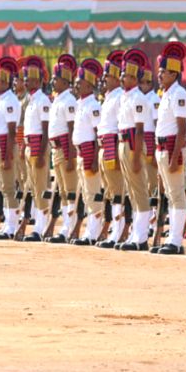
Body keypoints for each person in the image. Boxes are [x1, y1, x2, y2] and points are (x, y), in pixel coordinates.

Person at [154, 43, 186, 255]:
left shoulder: (178, 94)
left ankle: (176, 240)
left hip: (171, 148)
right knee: (169, 194)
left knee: (177, 194)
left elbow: (181, 127)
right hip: (162, 149)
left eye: (163, 72)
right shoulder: (167, 93)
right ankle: (171, 237)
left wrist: (175, 155)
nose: (159, 75)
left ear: (174, 73)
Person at [115, 49, 153, 251]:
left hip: (133, 144)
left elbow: (139, 130)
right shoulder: (125, 97)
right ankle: (135, 233)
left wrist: (137, 156)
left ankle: (141, 236)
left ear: (137, 78)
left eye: (130, 76)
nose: (125, 78)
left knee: (139, 190)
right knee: (131, 190)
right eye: (124, 74)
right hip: (123, 142)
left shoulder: (138, 98)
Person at [45, 55, 79, 244]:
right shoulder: (58, 99)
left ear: (65, 81)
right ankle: (66, 226)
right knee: (64, 193)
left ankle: (70, 227)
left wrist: (71, 156)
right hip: (55, 149)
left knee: (71, 191)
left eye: (56, 79)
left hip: (65, 149)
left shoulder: (69, 101)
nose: (52, 81)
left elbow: (72, 129)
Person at [0, 57, 22, 239]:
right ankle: (8, 224)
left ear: (6, 83)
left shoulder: (9, 100)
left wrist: (7, 156)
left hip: (5, 146)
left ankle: (11, 226)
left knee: (8, 188)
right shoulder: (1, 99)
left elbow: (10, 130)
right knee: (2, 186)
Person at [70, 59, 103, 246]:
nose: (76, 84)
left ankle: (93, 232)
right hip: (80, 152)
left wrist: (95, 159)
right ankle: (91, 230)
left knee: (92, 193)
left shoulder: (93, 105)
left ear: (89, 85)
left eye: (80, 82)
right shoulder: (80, 103)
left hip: (90, 151)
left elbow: (98, 134)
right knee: (85, 194)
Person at [18, 57, 51, 242]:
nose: (25, 82)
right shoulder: (30, 100)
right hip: (30, 145)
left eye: (29, 79)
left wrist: (41, 153)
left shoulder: (42, 100)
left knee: (40, 188)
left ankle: (41, 226)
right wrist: (24, 146)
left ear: (38, 81)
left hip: (39, 146)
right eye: (25, 78)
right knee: (32, 188)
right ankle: (39, 224)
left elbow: (45, 128)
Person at [96, 52, 126, 248]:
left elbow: (118, 125)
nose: (104, 79)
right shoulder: (108, 97)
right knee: (108, 190)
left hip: (112, 144)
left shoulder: (119, 97)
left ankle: (119, 230)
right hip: (103, 144)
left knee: (117, 191)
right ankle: (113, 229)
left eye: (107, 75)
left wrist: (114, 150)